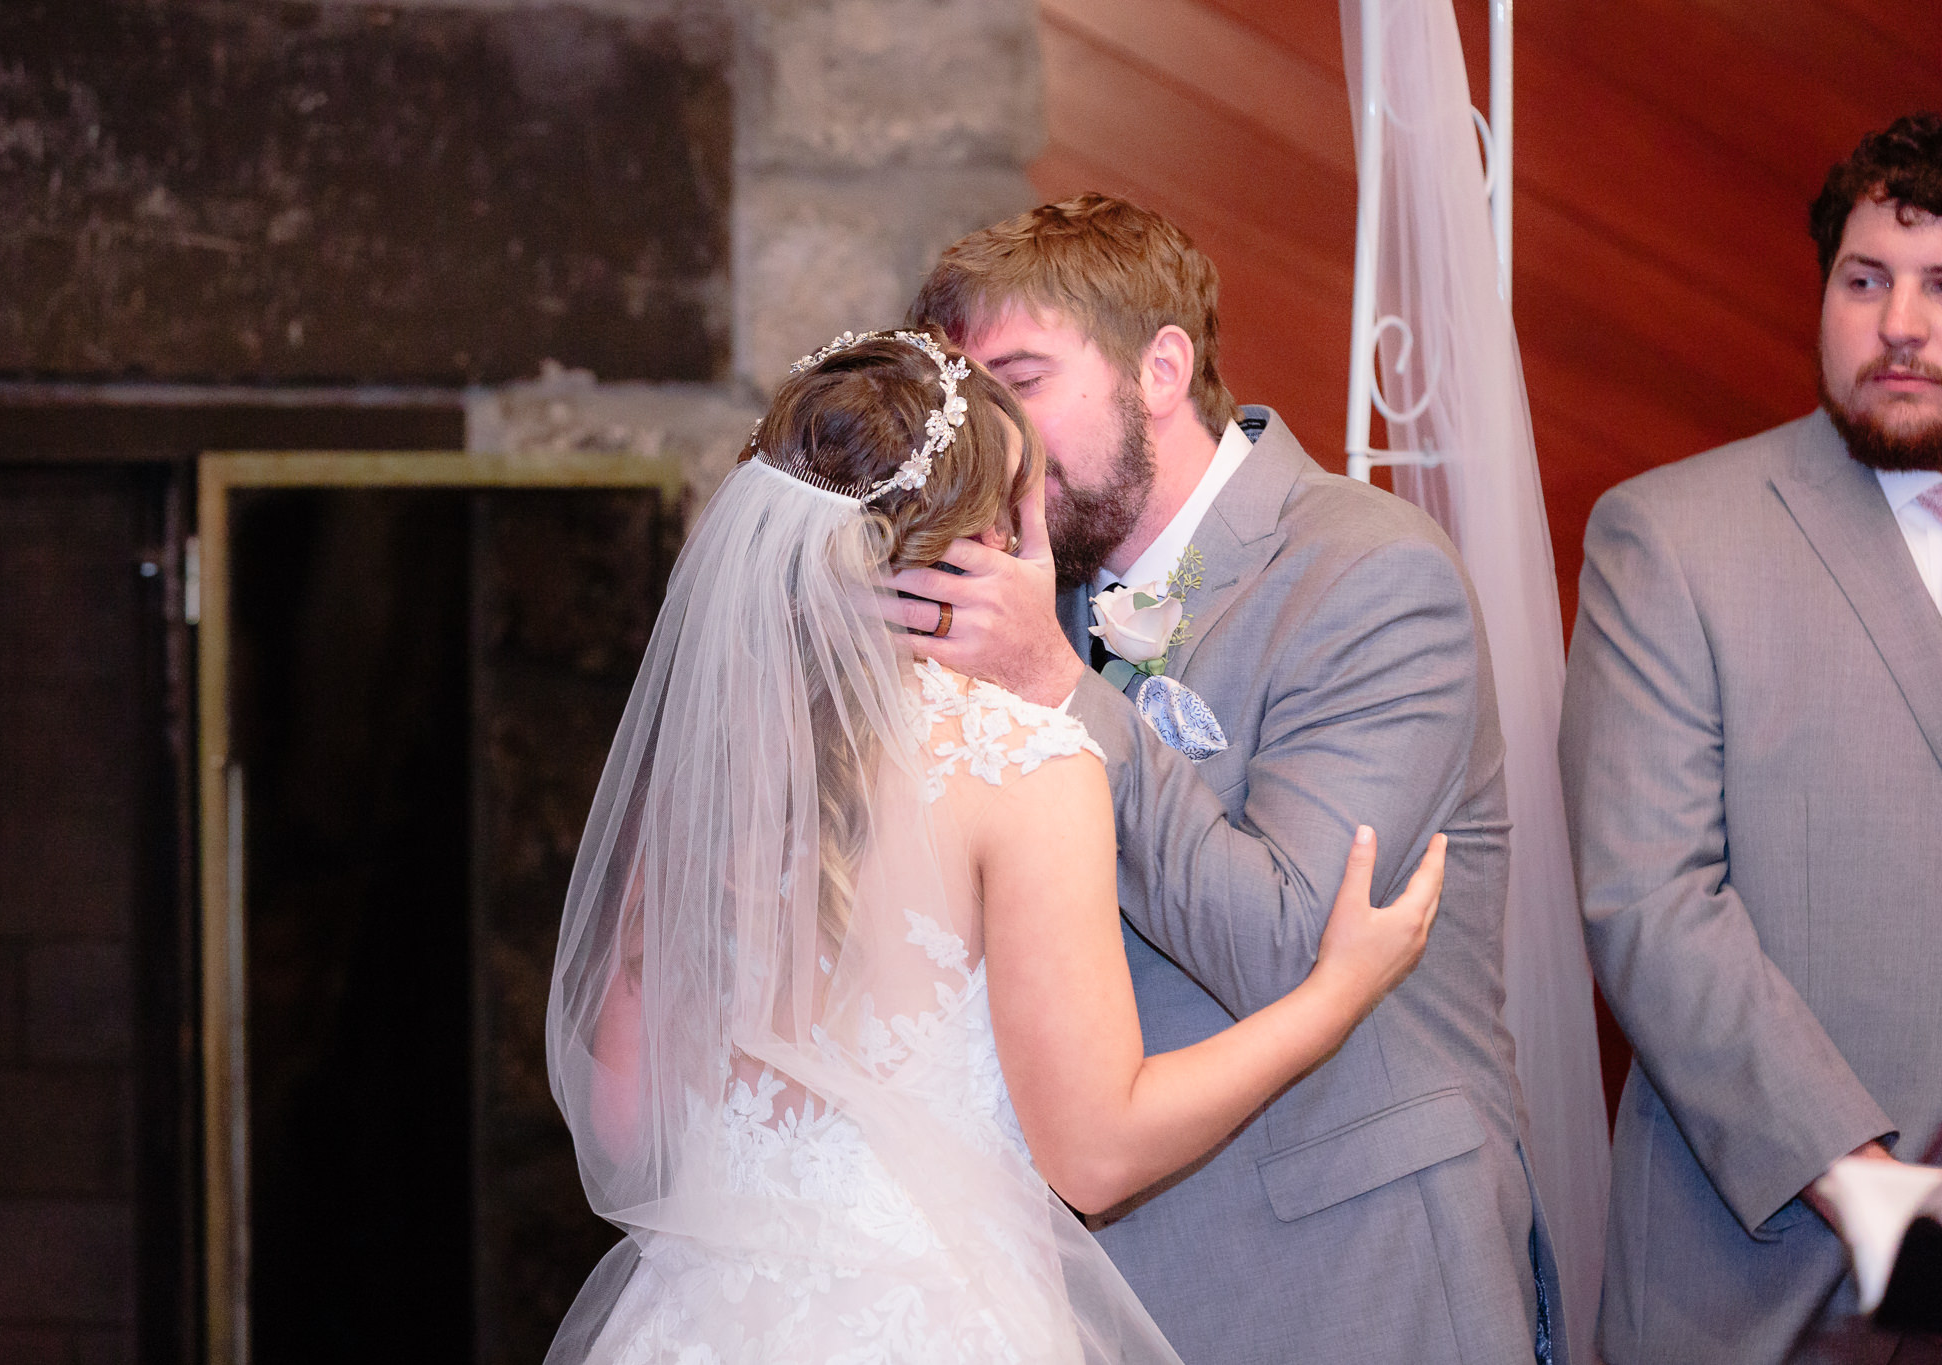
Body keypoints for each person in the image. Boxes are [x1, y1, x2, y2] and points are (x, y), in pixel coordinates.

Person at [543, 327, 1449, 1363]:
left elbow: (620, 1126)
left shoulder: (712, 763)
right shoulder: (1020, 764)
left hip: (699, 1325)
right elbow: (1097, 1155)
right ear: (980, 534)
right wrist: (1335, 993)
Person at [895, 195, 1559, 1363]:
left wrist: (1058, 685)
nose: (986, 438)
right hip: (1091, 1279)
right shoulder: (1023, 597)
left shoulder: (1367, 574)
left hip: (1348, 1269)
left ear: (1160, 369)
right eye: (968, 401)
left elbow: (1288, 949)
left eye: (1020, 381)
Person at [1559, 112, 1942, 1363]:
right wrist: (1864, 1182)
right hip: (1772, 1280)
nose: (1899, 324)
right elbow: (1647, 904)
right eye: (1864, 279)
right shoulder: (1668, 537)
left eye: (1941, 285)